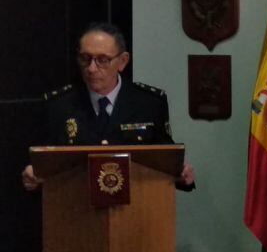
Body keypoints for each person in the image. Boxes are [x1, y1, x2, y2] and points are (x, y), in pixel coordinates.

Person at [21, 22, 195, 191]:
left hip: (137, 209)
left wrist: (181, 174)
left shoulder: (149, 104)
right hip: (75, 209)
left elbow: (166, 161)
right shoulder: (58, 106)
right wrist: (32, 175)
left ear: (122, 61)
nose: (91, 68)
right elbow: (40, 163)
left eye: (102, 60)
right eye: (85, 58)